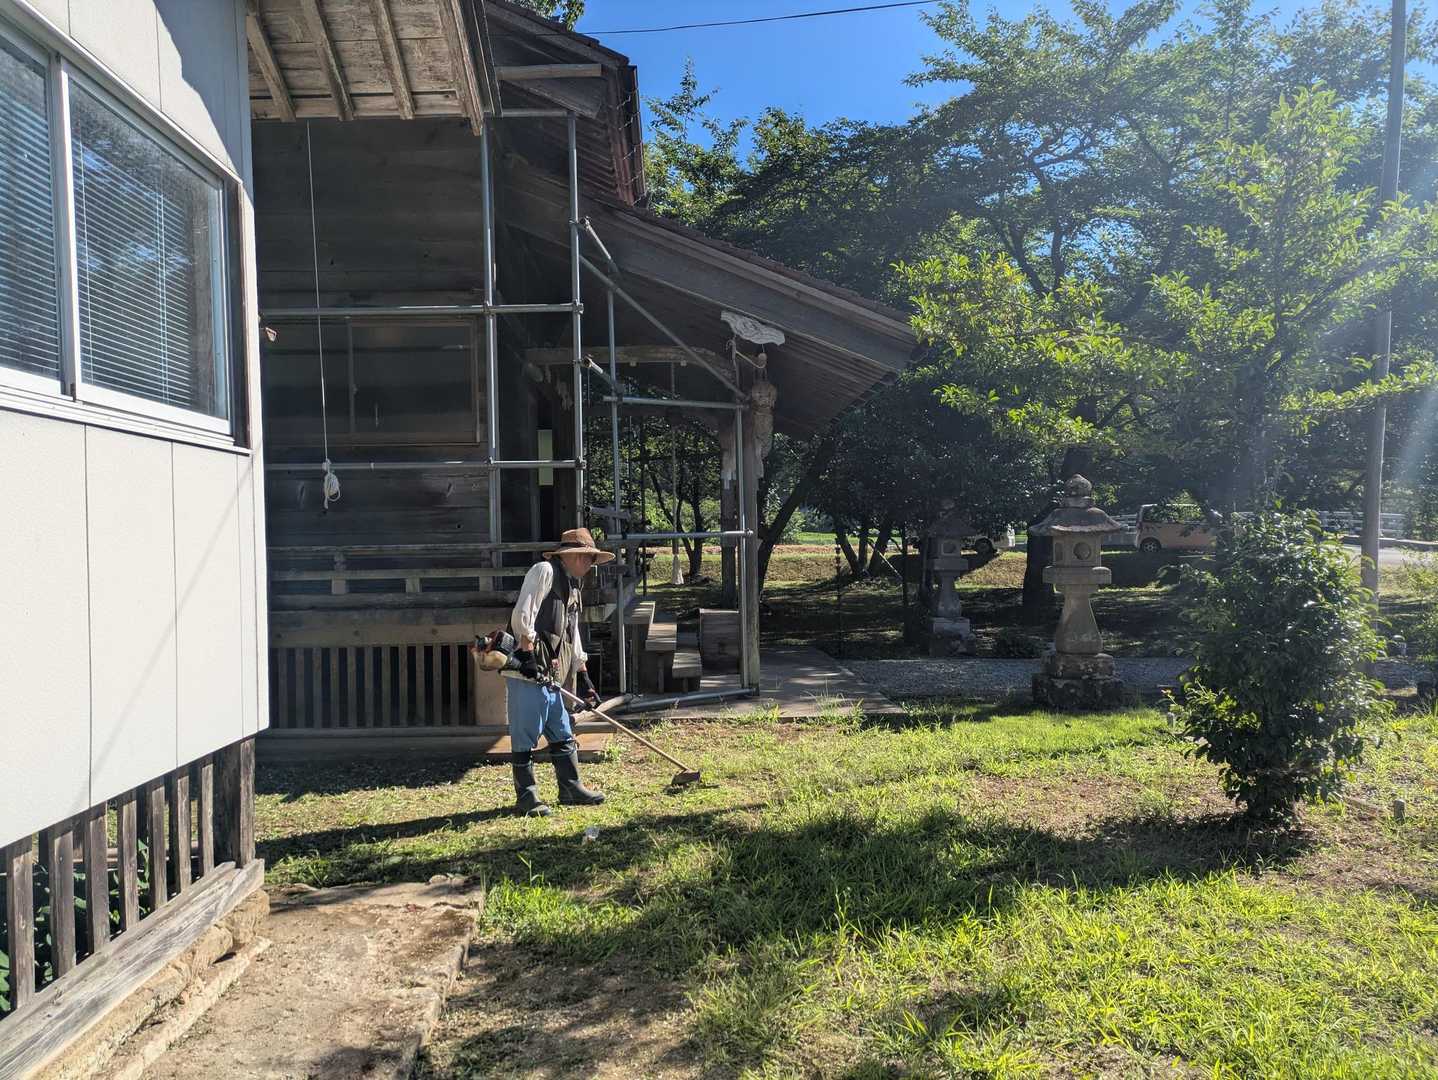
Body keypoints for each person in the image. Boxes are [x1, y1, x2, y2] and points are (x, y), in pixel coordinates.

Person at [502, 527, 612, 816]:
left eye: (592, 558)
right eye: (587, 557)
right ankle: (527, 797)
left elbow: (571, 634)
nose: (590, 564)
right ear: (573, 556)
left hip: (552, 674)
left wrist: (584, 674)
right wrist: (526, 654)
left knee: (561, 731)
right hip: (527, 671)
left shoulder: (573, 587)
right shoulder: (544, 571)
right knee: (525, 735)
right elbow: (523, 613)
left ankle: (571, 789)